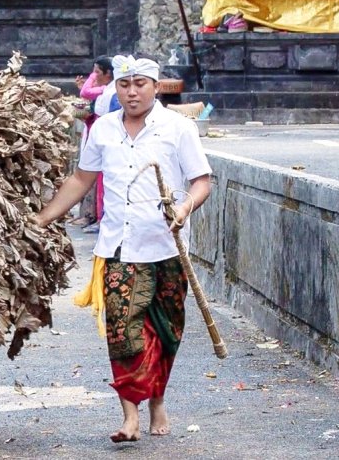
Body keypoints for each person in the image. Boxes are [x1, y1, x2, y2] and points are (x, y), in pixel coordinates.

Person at [34, 54, 212, 443]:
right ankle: (129, 414)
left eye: (140, 85)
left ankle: (157, 399)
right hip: (117, 246)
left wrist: (183, 207)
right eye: (124, 85)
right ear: (116, 87)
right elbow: (81, 180)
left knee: (165, 331)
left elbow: (202, 181)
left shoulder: (177, 128)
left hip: (167, 247)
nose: (131, 93)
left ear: (155, 86)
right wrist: (41, 219)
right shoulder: (103, 130)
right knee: (121, 329)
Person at [74, 56, 114, 233]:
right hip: (97, 134)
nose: (94, 75)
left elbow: (85, 93)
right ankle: (97, 217)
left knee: (103, 182)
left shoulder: (110, 91)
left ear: (109, 74)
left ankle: (101, 218)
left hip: (106, 138)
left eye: (98, 72)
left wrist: (90, 78)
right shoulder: (107, 90)